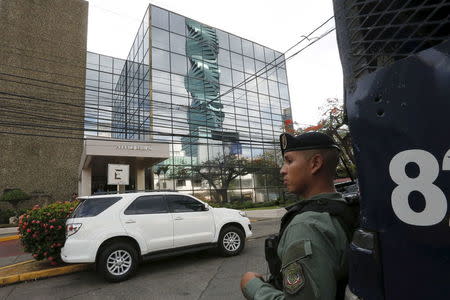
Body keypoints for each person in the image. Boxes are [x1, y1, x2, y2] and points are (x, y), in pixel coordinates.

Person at [240, 132, 358, 300]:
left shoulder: (306, 226)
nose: (282, 170)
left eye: (289, 161)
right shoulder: (344, 208)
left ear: (315, 163)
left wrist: (252, 286)